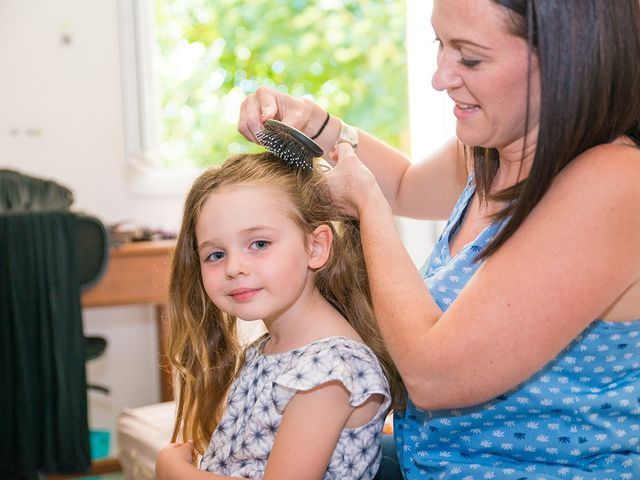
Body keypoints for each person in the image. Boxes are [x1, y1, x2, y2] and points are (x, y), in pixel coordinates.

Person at [237, 0, 640, 478]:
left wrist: (368, 207)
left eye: (470, 57)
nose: (440, 76)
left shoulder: (615, 186)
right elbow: (406, 185)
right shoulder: (495, 148)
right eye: (440, 44)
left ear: (567, 59)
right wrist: (320, 127)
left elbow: (434, 376)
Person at [155, 152, 404, 480]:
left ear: (315, 247)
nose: (234, 268)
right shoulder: (266, 349)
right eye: (216, 254)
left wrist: (174, 472)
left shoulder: (331, 371)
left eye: (259, 243)